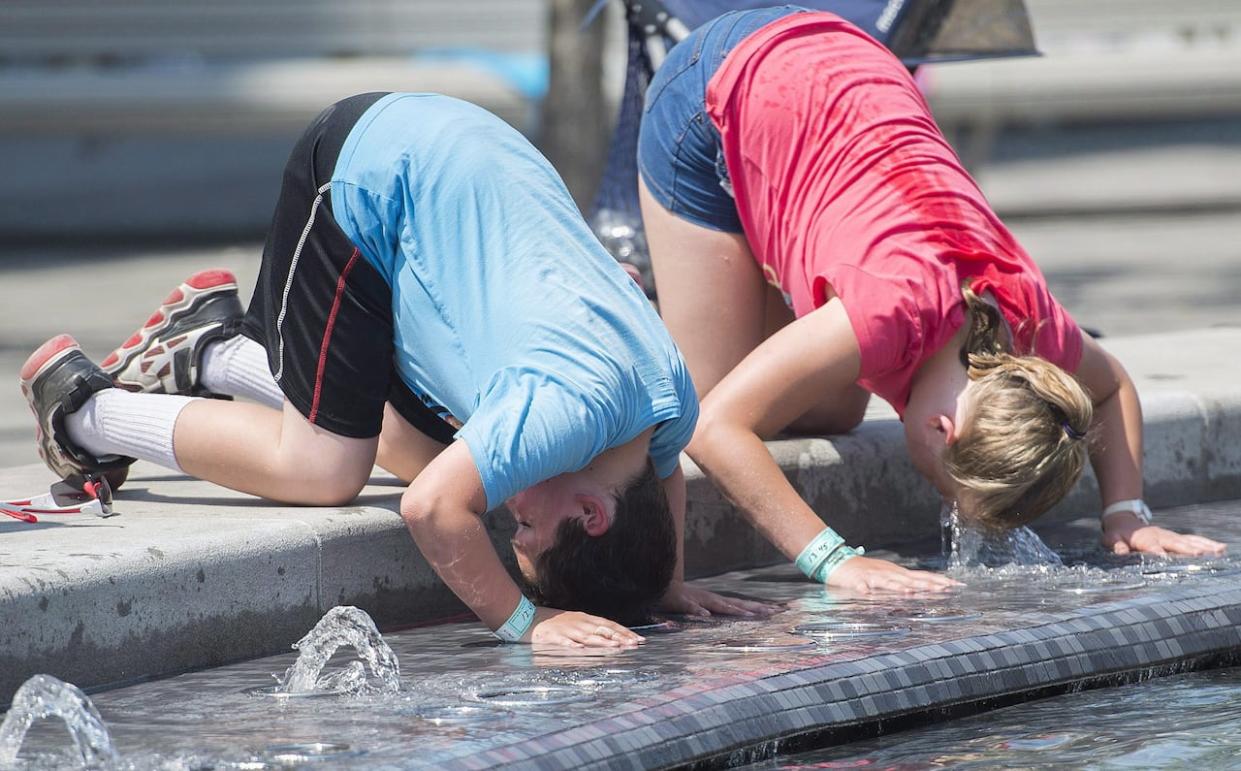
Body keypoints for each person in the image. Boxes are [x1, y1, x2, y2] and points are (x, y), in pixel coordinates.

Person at [20, 92, 766, 649]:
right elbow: (434, 513)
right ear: (591, 512)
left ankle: (215, 351)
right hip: (363, 173)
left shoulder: (662, 400)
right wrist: (523, 621)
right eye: (528, 527)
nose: (512, 516)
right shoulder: (562, 407)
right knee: (324, 470)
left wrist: (661, 585)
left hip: (457, 147)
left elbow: (665, 474)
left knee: (421, 458)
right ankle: (83, 410)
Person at [636, 7, 1226, 592]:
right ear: (943, 430)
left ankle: (765, 261)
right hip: (716, 85)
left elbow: (1111, 385)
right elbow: (714, 430)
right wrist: (832, 559)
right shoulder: (884, 313)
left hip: (849, 62)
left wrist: (1126, 512)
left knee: (832, 412)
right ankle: (626, 291)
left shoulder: (1026, 323)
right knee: (699, 398)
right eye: (950, 495)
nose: (950, 510)